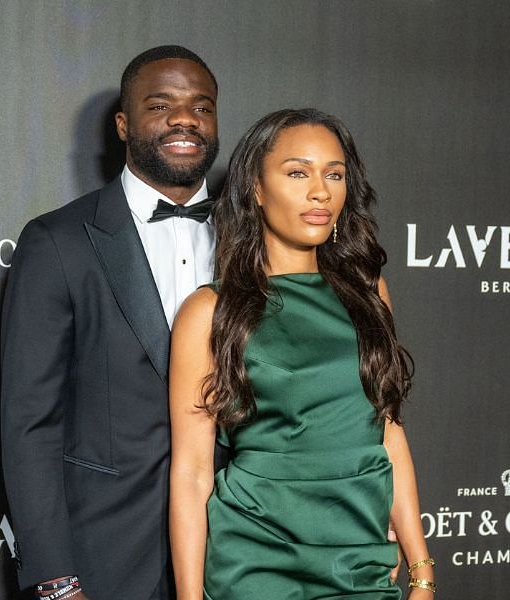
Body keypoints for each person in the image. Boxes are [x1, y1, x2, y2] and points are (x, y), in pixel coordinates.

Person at [168, 108, 434, 599]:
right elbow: (192, 470)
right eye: (297, 172)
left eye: (334, 174)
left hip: (358, 558)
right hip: (255, 558)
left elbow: (388, 432)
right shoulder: (209, 310)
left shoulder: (368, 291)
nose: (321, 192)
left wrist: (422, 570)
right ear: (255, 187)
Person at [1, 45, 220, 600]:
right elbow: (29, 420)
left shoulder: (257, 239)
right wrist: (55, 576)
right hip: (107, 554)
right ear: (123, 125)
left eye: (201, 106)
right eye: (161, 104)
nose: (184, 119)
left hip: (238, 547)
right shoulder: (58, 242)